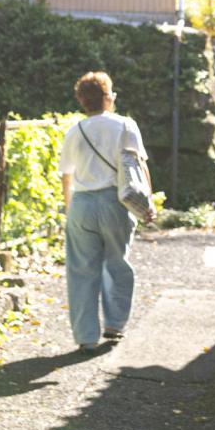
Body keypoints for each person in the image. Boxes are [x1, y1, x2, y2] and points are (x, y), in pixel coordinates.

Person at [59, 71, 149, 351]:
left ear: (81, 101)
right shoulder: (125, 125)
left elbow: (66, 174)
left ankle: (86, 337)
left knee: (81, 270)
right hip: (116, 202)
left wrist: (69, 208)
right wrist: (148, 205)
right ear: (108, 97)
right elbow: (139, 166)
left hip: (82, 204)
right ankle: (114, 325)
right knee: (117, 263)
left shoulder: (75, 130)